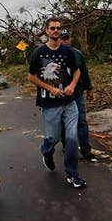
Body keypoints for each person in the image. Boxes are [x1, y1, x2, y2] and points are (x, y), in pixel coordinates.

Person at [28, 17, 87, 189]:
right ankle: (47, 152)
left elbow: (77, 72)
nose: (56, 31)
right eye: (52, 28)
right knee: (52, 138)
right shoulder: (38, 53)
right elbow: (31, 77)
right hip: (49, 104)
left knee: (71, 138)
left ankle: (72, 175)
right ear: (46, 31)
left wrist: (72, 85)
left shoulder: (67, 52)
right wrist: (50, 88)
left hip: (69, 102)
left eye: (58, 28)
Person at [60, 30, 96, 162]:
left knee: (81, 120)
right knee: (64, 122)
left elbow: (84, 73)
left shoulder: (77, 54)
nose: (65, 41)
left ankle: (86, 149)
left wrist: (89, 88)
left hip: (78, 92)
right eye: (63, 39)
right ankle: (67, 147)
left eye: (67, 38)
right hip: (62, 94)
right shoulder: (55, 55)